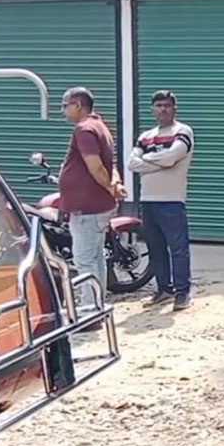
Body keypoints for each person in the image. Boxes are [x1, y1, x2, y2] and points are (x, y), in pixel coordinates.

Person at [128, 90, 195, 310]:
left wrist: (149, 160)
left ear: (174, 108)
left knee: (178, 249)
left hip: (172, 200)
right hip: (148, 201)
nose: (163, 109)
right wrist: (161, 162)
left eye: (167, 105)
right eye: (158, 106)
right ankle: (164, 289)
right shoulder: (145, 136)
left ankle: (182, 292)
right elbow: (132, 163)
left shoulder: (182, 131)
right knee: (156, 249)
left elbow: (172, 156)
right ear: (152, 109)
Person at [57, 87, 124, 293]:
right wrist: (115, 185)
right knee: (96, 258)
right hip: (97, 207)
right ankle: (98, 304)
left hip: (87, 210)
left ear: (78, 105)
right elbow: (110, 165)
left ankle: (90, 307)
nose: (63, 111)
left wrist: (110, 186)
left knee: (84, 261)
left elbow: (96, 166)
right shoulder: (100, 126)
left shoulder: (84, 129)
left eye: (65, 106)